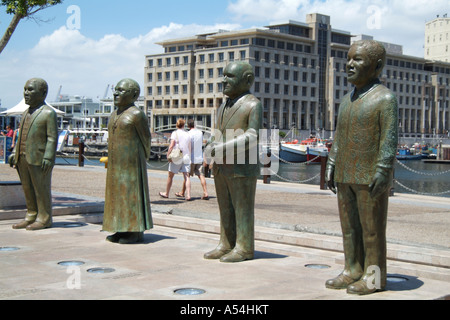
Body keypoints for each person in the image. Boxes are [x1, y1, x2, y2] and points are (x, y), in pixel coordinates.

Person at [325, 40, 398, 295]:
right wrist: (332, 162)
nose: (350, 64)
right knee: (350, 229)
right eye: (349, 59)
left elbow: (389, 139)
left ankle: (374, 277)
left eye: (358, 60)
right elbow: (339, 136)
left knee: (372, 231)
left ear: (376, 66)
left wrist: (383, 169)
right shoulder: (346, 100)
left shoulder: (385, 99)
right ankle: (352, 268)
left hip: (370, 176)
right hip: (345, 172)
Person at [204, 61, 262, 263]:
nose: (224, 80)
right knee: (225, 208)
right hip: (222, 166)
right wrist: (211, 144)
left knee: (242, 208)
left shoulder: (253, 104)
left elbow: (253, 135)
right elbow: (218, 134)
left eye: (229, 76)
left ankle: (244, 247)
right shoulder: (223, 107)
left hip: (242, 167)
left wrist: (222, 147)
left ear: (246, 80)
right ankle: (226, 243)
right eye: (224, 75)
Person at [102, 78, 153, 244]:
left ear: (134, 95)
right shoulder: (114, 114)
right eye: (115, 89)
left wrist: (139, 161)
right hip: (116, 164)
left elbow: (146, 139)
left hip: (131, 164)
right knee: (116, 196)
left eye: (121, 90)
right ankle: (120, 227)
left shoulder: (137, 114)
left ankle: (134, 231)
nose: (116, 93)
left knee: (130, 195)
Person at [8, 78, 58, 231]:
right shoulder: (25, 113)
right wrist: (15, 152)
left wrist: (49, 157)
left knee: (41, 189)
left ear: (43, 93)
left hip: (39, 158)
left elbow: (52, 137)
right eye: (25, 89)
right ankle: (31, 215)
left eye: (30, 89)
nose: (26, 93)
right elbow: (20, 135)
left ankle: (44, 218)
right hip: (22, 157)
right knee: (27, 188)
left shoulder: (48, 113)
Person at [176, 119, 209, 200]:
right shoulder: (200, 133)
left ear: (188, 125)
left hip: (191, 158)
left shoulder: (188, 134)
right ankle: (205, 192)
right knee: (201, 175)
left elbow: (187, 146)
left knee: (186, 176)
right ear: (194, 125)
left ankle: (183, 193)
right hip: (199, 157)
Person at [159, 118, 192, 200]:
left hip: (177, 156)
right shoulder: (188, 134)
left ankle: (166, 193)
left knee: (170, 175)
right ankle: (188, 195)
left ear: (177, 125)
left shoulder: (175, 133)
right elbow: (190, 147)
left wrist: (168, 153)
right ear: (184, 125)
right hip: (186, 156)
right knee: (186, 176)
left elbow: (171, 145)